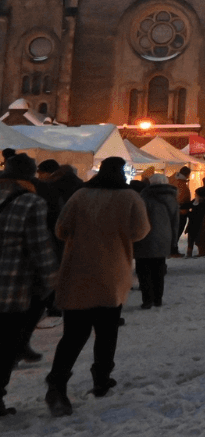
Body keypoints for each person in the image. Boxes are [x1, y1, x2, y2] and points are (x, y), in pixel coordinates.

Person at [45, 157, 150, 416]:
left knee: (73, 335)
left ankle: (57, 384)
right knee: (106, 332)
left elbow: (61, 229)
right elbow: (140, 231)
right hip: (111, 275)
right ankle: (101, 379)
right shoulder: (130, 198)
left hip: (77, 272)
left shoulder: (81, 195)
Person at [1, 154, 60, 417]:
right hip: (11, 289)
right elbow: (40, 248)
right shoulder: (31, 203)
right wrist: (51, 283)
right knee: (5, 345)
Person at [135, 174, 180, 309]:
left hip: (144, 237)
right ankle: (158, 299)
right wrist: (173, 242)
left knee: (143, 270)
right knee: (159, 269)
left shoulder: (143, 197)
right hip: (163, 238)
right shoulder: (172, 199)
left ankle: (147, 300)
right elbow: (175, 222)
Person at [168, 166, 192, 256]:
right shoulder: (180, 183)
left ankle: (173, 250)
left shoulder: (173, 179)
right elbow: (180, 199)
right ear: (187, 174)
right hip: (179, 212)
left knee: (174, 232)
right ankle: (173, 251)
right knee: (176, 232)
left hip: (175, 211)